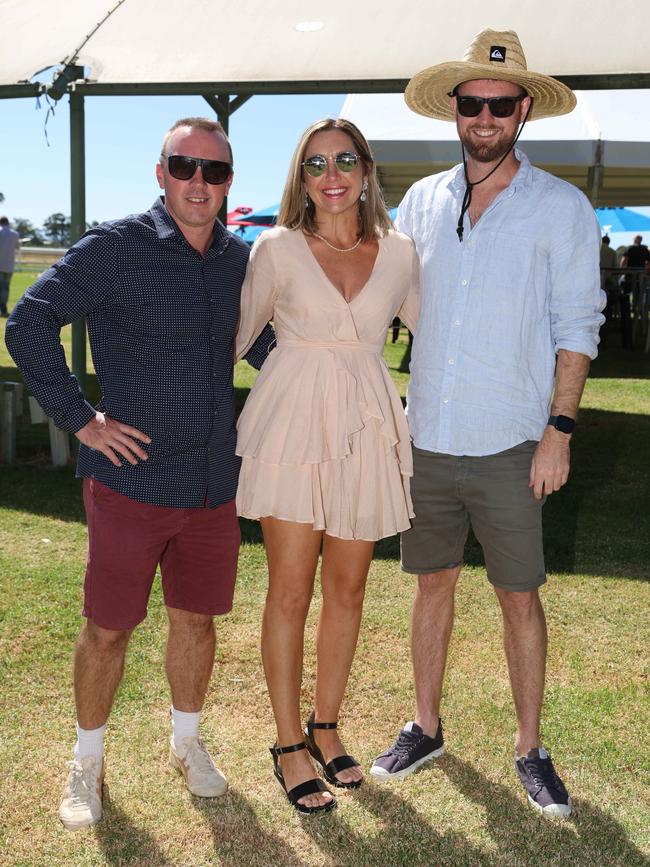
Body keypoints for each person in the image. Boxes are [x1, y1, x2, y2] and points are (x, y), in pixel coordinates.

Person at [5, 117, 274, 830]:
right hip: (130, 484)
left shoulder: (240, 261)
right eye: (184, 166)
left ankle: (186, 742)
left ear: (228, 184)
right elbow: (28, 321)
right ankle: (87, 759)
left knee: (198, 621)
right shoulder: (115, 248)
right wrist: (81, 418)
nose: (198, 182)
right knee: (108, 628)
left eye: (214, 172)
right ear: (161, 173)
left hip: (213, 484)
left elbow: (273, 350)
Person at [369, 29, 605, 819]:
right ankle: (426, 725)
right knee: (430, 583)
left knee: (517, 596)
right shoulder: (421, 201)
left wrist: (559, 430)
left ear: (523, 110)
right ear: (456, 111)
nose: (485, 116)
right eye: (472, 103)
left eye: (501, 104)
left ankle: (530, 747)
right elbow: (395, 305)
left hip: (512, 440)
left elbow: (579, 324)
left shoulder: (564, 208)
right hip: (428, 434)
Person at [235, 118, 420, 814]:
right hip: (290, 424)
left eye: (346, 160)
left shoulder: (401, 251)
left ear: (367, 170)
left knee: (348, 591)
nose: (333, 174)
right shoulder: (277, 247)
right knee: (290, 589)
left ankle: (327, 724)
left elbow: (436, 339)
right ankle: (287, 744)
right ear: (301, 178)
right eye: (316, 164)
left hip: (368, 426)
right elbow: (236, 334)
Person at [0, 216, 20, 316]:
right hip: (9, 265)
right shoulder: (14, 234)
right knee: (5, 287)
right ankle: (3, 310)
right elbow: (17, 247)